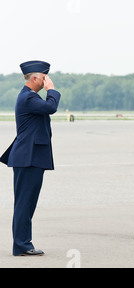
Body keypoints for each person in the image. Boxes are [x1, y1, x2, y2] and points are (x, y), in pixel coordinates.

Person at [0, 61, 61, 256]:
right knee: (25, 203)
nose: (46, 81)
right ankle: (22, 245)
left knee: (27, 202)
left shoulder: (30, 97)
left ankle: (23, 244)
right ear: (34, 78)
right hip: (28, 158)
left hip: (31, 157)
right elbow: (51, 107)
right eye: (44, 77)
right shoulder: (28, 98)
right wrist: (52, 90)